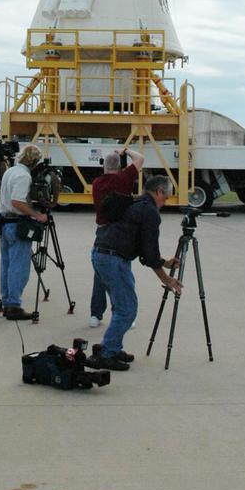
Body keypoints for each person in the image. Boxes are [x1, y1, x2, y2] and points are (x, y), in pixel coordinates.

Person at [89, 174, 181, 372]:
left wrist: (164, 263)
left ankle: (113, 347)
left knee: (122, 306)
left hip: (102, 253)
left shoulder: (135, 203)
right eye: (166, 198)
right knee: (127, 309)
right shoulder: (150, 212)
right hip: (113, 259)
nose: (165, 202)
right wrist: (167, 280)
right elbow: (149, 253)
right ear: (159, 192)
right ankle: (106, 353)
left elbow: (141, 247)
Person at [88, 146, 144, 328]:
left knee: (100, 273)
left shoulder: (97, 183)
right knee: (122, 272)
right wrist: (126, 150)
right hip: (121, 231)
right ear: (119, 166)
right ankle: (122, 312)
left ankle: (95, 314)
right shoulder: (124, 178)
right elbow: (140, 158)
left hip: (102, 230)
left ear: (104, 165)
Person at [0, 144, 48, 321]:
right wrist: (37, 215)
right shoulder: (23, 176)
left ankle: (7, 302)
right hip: (17, 224)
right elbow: (18, 201)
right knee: (19, 267)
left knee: (7, 265)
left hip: (5, 222)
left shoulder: (10, 171)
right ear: (34, 161)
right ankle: (13, 305)